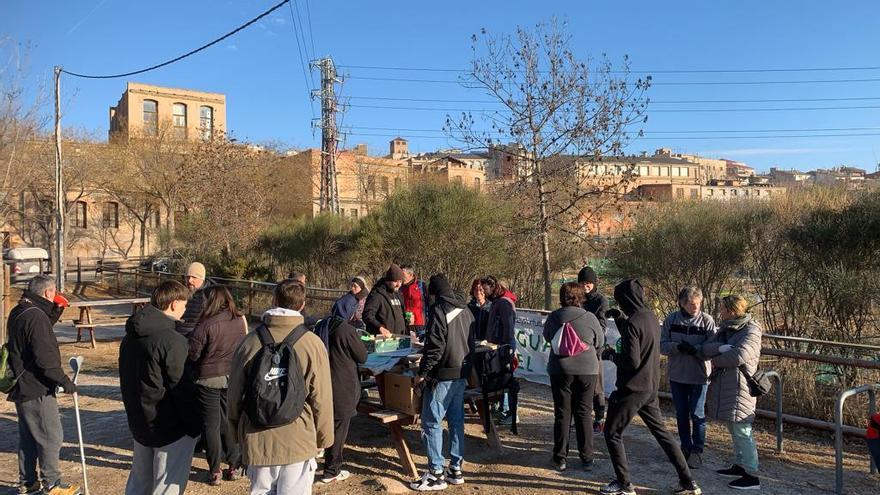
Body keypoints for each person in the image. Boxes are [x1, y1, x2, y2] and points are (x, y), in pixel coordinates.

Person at [227, 279, 334, 495]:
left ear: (273, 300)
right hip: (299, 437)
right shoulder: (312, 343)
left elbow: (234, 394)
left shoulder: (250, 342)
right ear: (302, 305)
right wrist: (323, 438)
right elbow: (321, 396)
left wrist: (235, 434)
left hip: (258, 437)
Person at [601, 279, 701, 495]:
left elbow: (632, 361)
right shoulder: (650, 317)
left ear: (625, 299)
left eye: (619, 300)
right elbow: (639, 336)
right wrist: (620, 320)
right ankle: (688, 482)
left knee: (612, 433)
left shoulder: (633, 323)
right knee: (662, 434)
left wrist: (610, 355)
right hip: (649, 386)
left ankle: (624, 484)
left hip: (631, 388)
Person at [119, 280, 201, 495]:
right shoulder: (172, 340)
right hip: (169, 426)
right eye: (184, 304)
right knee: (167, 486)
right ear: (174, 304)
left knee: (139, 483)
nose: (185, 309)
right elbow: (181, 388)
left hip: (139, 421)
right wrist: (194, 424)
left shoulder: (129, 337)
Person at [6, 275, 81, 495]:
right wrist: (64, 381)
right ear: (48, 292)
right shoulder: (35, 317)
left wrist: (56, 310)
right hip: (36, 386)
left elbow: (38, 330)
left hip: (22, 384)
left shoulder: (20, 310)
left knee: (29, 436)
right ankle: (53, 484)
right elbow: (45, 357)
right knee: (50, 436)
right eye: (54, 291)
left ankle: (28, 482)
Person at [410, 274, 476, 491]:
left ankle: (436, 473)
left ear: (434, 293)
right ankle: (455, 469)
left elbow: (435, 347)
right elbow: (471, 343)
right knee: (456, 421)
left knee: (431, 422)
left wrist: (423, 372)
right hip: (461, 373)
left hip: (443, 375)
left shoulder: (440, 310)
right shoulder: (466, 309)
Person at [187, 286, 247, 486]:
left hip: (208, 380)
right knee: (230, 420)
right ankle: (234, 464)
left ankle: (214, 470)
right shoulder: (239, 320)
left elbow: (193, 354)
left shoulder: (206, 325)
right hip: (232, 377)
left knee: (210, 426)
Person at [703, 295, 762, 491]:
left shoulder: (752, 329)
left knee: (742, 430)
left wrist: (716, 360)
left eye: (722, 308)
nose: (720, 311)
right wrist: (720, 348)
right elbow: (707, 347)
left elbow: (740, 354)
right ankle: (739, 464)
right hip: (727, 385)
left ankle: (752, 474)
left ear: (731, 310)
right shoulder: (726, 329)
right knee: (733, 427)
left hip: (740, 387)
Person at [543, 282, 604, 472]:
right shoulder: (590, 318)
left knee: (562, 413)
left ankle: (560, 458)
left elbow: (547, 337)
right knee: (584, 413)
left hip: (560, 369)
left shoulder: (554, 317)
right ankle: (587, 458)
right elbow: (600, 341)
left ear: (562, 297)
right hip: (587, 370)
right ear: (581, 297)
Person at [660, 287, 717, 469]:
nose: (695, 307)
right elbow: (662, 346)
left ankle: (697, 450)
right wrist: (677, 347)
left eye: (698, 304)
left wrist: (697, 351)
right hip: (677, 375)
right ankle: (685, 447)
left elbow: (712, 348)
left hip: (699, 376)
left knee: (697, 413)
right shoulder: (671, 319)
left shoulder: (707, 320)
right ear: (682, 303)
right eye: (691, 304)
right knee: (681, 414)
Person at [320, 300, 369, 484]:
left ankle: (323, 461)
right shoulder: (345, 330)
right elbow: (362, 356)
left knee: (326, 424)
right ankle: (331, 470)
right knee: (339, 428)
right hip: (342, 385)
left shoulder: (322, 325)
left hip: (324, 382)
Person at [480, 276, 518, 423]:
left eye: (485, 289)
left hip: (504, 346)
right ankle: (502, 408)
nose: (483, 292)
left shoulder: (504, 303)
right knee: (501, 378)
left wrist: (507, 348)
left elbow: (508, 327)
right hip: (498, 345)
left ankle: (511, 412)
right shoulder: (497, 302)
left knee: (507, 378)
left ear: (492, 287)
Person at [578, 266, 609, 435]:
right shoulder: (577, 299)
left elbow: (602, 327)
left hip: (593, 349)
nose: (586, 286)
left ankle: (599, 419)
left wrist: (589, 340)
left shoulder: (601, 301)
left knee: (597, 386)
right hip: (576, 350)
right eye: (583, 282)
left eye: (589, 282)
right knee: (579, 386)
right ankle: (581, 416)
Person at [363, 264, 407, 337]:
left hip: (399, 338)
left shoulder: (398, 294)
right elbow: (367, 315)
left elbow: (401, 313)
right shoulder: (377, 294)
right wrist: (380, 327)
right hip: (382, 340)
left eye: (401, 281)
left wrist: (407, 319)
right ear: (388, 281)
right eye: (396, 281)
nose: (399, 285)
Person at [177, 261, 211, 335]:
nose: (189, 280)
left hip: (193, 338)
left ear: (202, 279)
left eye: (194, 277)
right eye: (188, 277)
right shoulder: (180, 292)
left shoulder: (208, 296)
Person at [400, 265, 429, 338]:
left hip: (420, 325)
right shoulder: (399, 288)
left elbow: (429, 302)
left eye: (403, 274)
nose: (401, 277)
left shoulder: (421, 285)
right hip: (405, 324)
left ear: (411, 275)